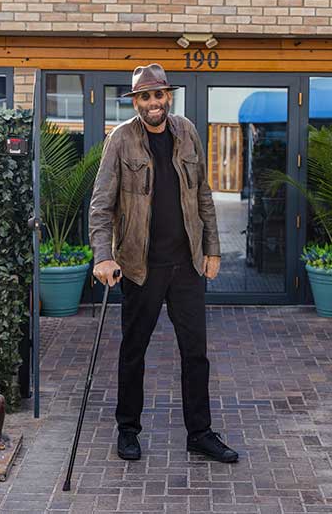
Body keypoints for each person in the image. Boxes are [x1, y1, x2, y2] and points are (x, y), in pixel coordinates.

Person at [88, 63, 238, 463]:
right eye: (144, 96)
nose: (153, 103)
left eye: (158, 95)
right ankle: (128, 430)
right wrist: (103, 256)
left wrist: (213, 249)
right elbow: (101, 205)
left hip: (186, 264)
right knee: (133, 351)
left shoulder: (186, 131)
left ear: (167, 97)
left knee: (196, 353)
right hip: (140, 267)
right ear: (135, 101)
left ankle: (200, 433)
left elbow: (203, 193)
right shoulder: (120, 141)